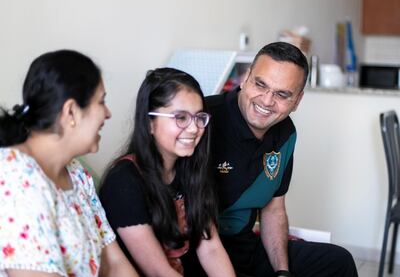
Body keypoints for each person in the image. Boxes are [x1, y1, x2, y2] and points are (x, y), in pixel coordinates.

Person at [205, 42, 358, 277]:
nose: (267, 101)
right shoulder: (204, 118)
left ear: (297, 100)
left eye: (282, 94)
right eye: (260, 84)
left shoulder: (286, 134)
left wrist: (282, 272)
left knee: (338, 262)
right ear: (246, 78)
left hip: (244, 249)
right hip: (200, 251)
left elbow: (274, 210)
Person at [0, 50, 139, 277]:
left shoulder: (77, 173)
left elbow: (114, 265)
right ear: (71, 111)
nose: (108, 113)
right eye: (101, 101)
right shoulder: (15, 178)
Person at [99, 67, 235, 277]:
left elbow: (211, 248)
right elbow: (158, 271)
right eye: (180, 118)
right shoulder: (123, 182)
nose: (193, 128)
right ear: (149, 122)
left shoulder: (190, 169)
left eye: (199, 117)